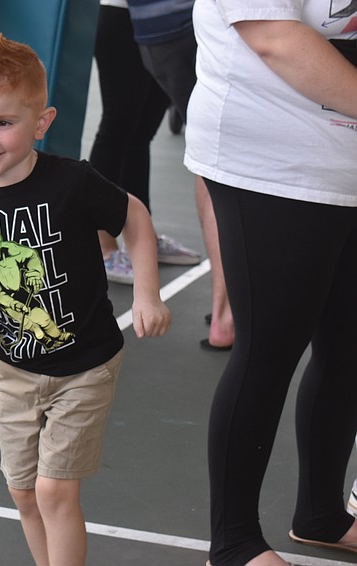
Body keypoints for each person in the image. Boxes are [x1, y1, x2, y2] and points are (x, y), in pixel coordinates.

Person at [0, 34, 171, 566]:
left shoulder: (71, 183)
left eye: (3, 123)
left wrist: (148, 293)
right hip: (12, 368)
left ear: (41, 122)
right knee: (22, 492)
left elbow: (132, 214)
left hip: (84, 365)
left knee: (55, 491)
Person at [183, 0, 357, 563]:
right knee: (270, 353)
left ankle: (323, 516)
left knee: (349, 350)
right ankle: (233, 542)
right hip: (274, 167)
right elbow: (276, 39)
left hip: (347, 164)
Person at [126, 0, 234, 351]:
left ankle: (225, 309)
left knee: (212, 155)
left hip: (157, 30)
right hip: (193, 23)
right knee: (224, 160)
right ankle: (227, 314)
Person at [90, 0, 202, 286]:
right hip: (123, 15)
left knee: (141, 135)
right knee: (117, 128)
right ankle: (101, 247)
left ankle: (143, 238)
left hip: (172, 22)